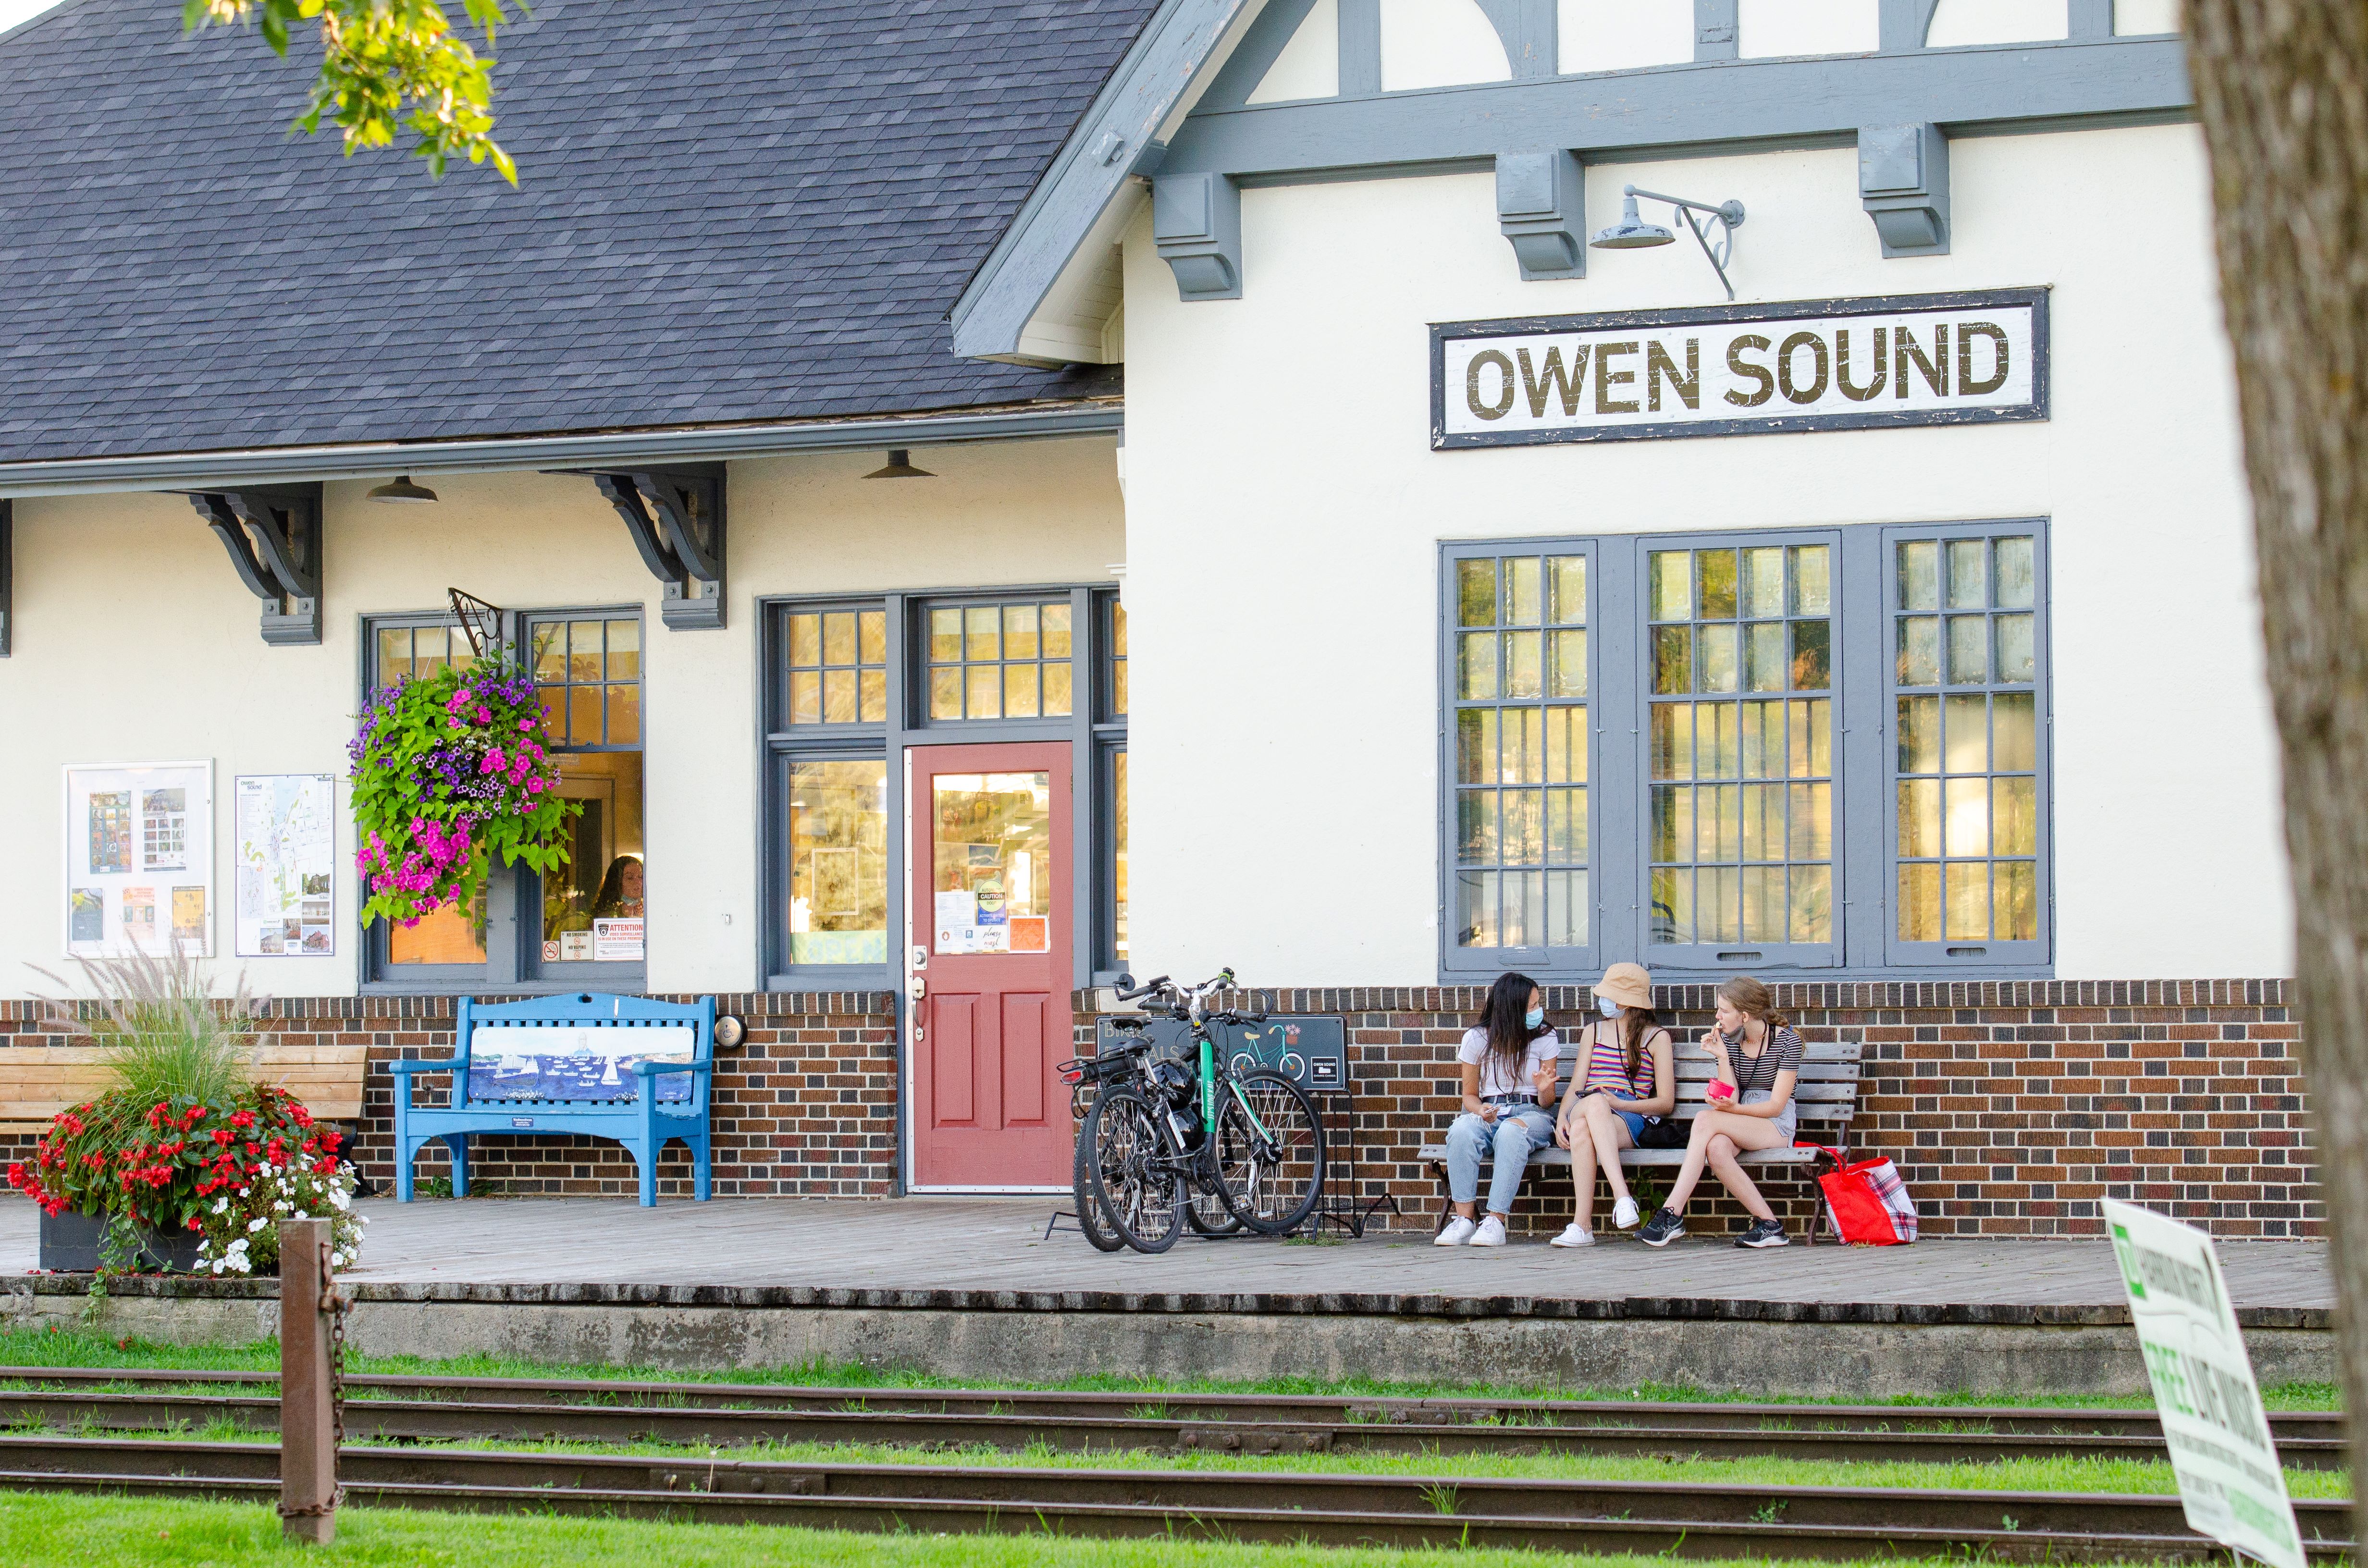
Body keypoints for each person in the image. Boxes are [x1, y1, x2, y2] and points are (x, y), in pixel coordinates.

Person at [1636, 975, 1801, 1250]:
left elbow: (1776, 1106)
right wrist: (1722, 1056)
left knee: (1703, 1118)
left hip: (1775, 1124)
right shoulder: (1729, 1041)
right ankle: (1770, 1225)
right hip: (1741, 1119)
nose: (1718, 1016)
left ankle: (1672, 1213)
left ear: (1745, 1016)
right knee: (1716, 1148)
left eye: (1724, 1011)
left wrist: (1733, 1109)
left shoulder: (1787, 1044)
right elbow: (1730, 1096)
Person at [1549, 962, 1675, 1247]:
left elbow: (1666, 1102)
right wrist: (1561, 1120)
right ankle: (1623, 1197)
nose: (1602, 1002)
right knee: (1593, 1105)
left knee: (1582, 1131)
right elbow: (1577, 1086)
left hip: (1628, 1115)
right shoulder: (1593, 1032)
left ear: (1624, 1002)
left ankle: (1582, 1227)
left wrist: (1622, 1104)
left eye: (1608, 995)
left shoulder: (1657, 1038)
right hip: (1588, 1103)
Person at [1435, 971, 1560, 1248]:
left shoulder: (1546, 1036)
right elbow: (1469, 1095)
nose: (1538, 1012)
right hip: (1492, 1111)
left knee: (1510, 1133)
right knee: (1461, 1130)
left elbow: (1547, 1104)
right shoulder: (1477, 1038)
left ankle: (1495, 1221)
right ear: (1511, 1009)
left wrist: (1543, 1088)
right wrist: (1480, 1110)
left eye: (1538, 1005)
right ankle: (1464, 1220)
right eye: (1531, 1007)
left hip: (1532, 1114)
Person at [590, 854, 645, 921]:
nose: (638, 882)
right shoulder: (604, 916)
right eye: (630, 878)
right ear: (616, 882)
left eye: (640, 877)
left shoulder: (648, 909)